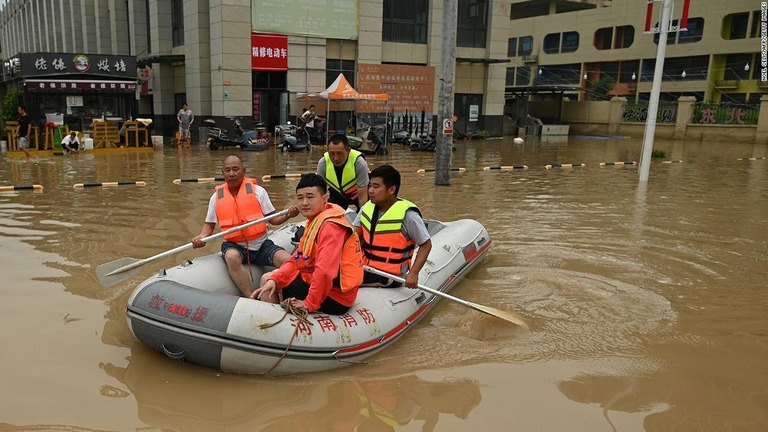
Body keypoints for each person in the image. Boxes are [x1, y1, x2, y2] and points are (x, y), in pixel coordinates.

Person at [250, 173, 363, 315]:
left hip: (336, 296)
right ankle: (275, 315)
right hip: (325, 286)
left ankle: (275, 323)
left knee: (268, 280)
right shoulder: (315, 221)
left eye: (310, 197)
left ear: (324, 199)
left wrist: (309, 303)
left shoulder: (330, 227)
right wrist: (276, 279)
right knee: (270, 279)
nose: (304, 203)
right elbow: (297, 259)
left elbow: (325, 272)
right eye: (300, 198)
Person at [192, 155, 299, 297]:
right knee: (231, 257)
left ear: (244, 170)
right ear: (223, 173)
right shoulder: (215, 197)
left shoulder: (258, 191)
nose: (231, 174)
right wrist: (201, 238)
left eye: (235, 169)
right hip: (234, 245)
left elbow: (273, 219)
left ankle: (291, 293)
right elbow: (209, 225)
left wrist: (288, 215)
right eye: (227, 170)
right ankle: (250, 296)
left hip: (262, 245)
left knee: (288, 260)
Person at [353, 164, 432, 288]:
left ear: (391, 190)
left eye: (376, 186)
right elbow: (352, 235)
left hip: (390, 275)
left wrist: (413, 273)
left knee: (342, 278)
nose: (370, 191)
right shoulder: (366, 208)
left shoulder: (409, 216)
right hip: (365, 267)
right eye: (370, 186)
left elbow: (426, 244)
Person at [316, 133, 369, 211]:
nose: (336, 158)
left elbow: (363, 197)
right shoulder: (322, 163)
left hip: (357, 193)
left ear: (348, 151)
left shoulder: (359, 163)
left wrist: (362, 219)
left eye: (340, 153)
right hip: (337, 194)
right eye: (332, 153)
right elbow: (320, 194)